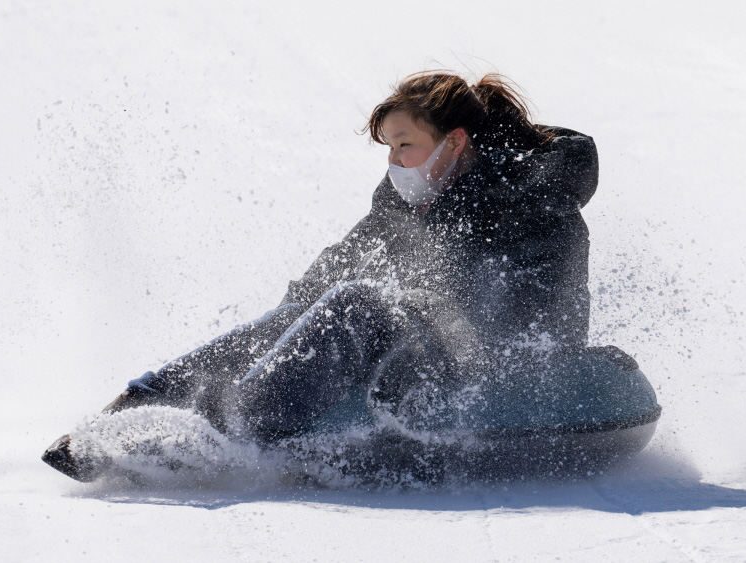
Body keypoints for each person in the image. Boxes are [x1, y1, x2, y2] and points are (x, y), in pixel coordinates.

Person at [43, 71, 599, 481]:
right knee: (317, 304)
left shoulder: (528, 195)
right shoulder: (415, 198)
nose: (395, 162)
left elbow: (529, 308)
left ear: (453, 142)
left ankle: (224, 433)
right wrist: (301, 311)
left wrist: (423, 310)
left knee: (360, 304)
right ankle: (138, 402)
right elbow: (347, 257)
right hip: (440, 339)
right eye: (390, 149)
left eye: (406, 145)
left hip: (509, 358)